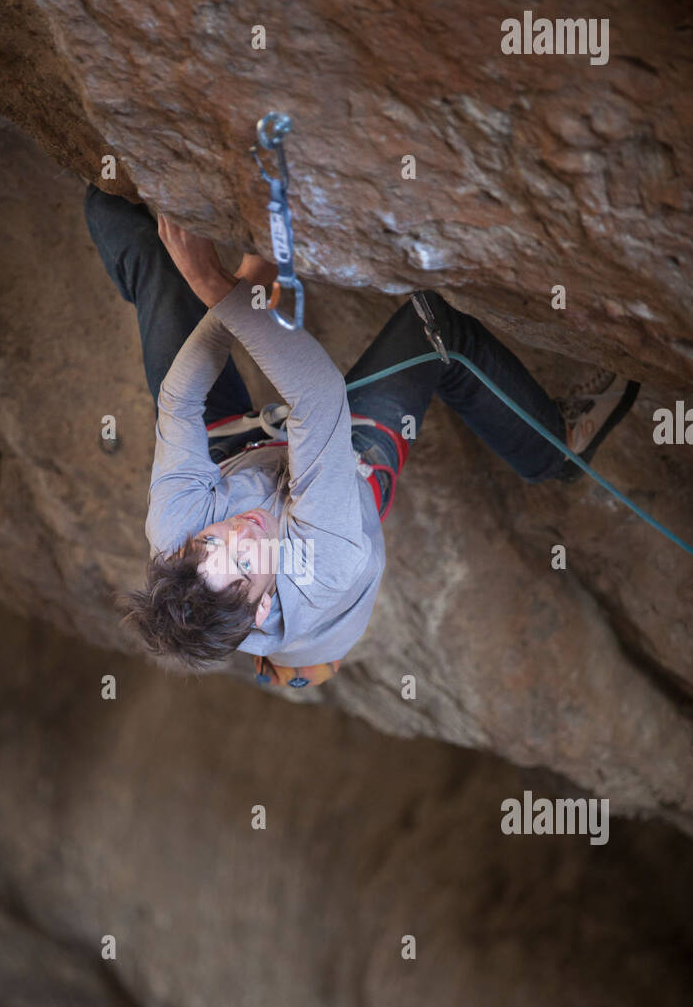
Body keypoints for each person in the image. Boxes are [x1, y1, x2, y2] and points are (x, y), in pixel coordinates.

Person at [84, 185, 639, 689]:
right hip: (346, 480)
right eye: (246, 564)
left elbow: (181, 402)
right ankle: (555, 447)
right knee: (432, 325)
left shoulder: (174, 534)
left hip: (230, 451)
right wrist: (224, 291)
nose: (239, 534)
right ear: (259, 610)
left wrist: (236, 298)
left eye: (212, 543)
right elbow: (318, 401)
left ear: (182, 548)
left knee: (117, 217)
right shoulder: (328, 561)